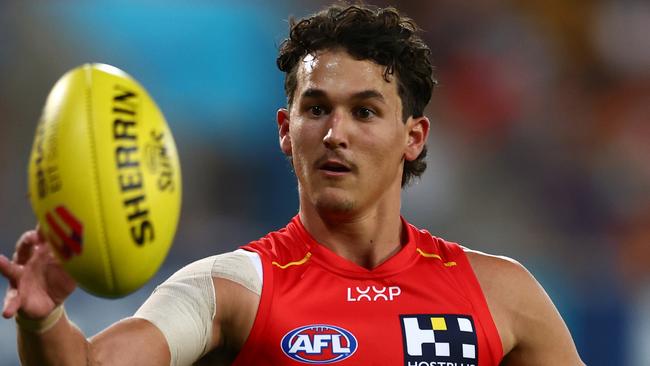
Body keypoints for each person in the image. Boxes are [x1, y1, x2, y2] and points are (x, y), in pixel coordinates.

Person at [0, 3, 584, 365]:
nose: (335, 133)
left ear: (414, 137)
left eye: (364, 111)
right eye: (316, 109)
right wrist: (44, 317)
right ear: (286, 130)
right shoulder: (231, 288)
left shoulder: (501, 295)